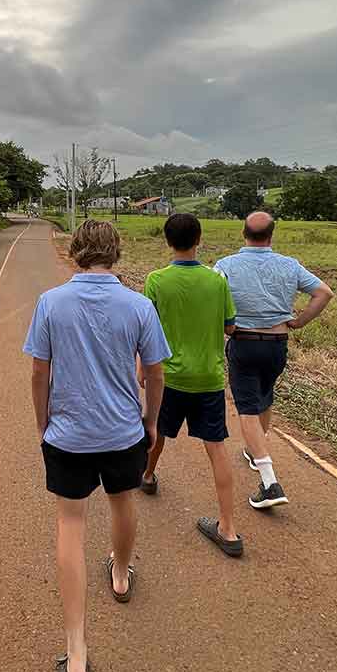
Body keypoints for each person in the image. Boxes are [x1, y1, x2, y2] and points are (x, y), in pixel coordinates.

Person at [23, 219, 170, 672]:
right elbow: (154, 372)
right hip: (123, 431)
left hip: (69, 434)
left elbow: (39, 373)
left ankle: (77, 652)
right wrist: (150, 422)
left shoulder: (51, 302)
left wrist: (44, 423)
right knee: (123, 504)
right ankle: (122, 574)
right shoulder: (138, 305)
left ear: (77, 251)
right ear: (116, 253)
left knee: (70, 525)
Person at [213, 211, 334, 510]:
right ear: (271, 235)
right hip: (278, 343)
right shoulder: (289, 265)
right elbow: (323, 292)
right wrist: (299, 321)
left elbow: (211, 296)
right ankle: (256, 450)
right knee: (264, 397)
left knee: (247, 408)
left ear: (243, 233)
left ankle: (269, 482)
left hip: (244, 341)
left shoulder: (225, 265)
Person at [139, 213, 243, 558]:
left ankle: (149, 475)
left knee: (157, 431)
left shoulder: (156, 280)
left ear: (167, 240)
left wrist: (141, 369)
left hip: (168, 377)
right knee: (216, 448)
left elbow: (147, 332)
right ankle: (228, 529)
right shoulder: (217, 281)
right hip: (209, 378)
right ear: (199, 238)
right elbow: (230, 327)